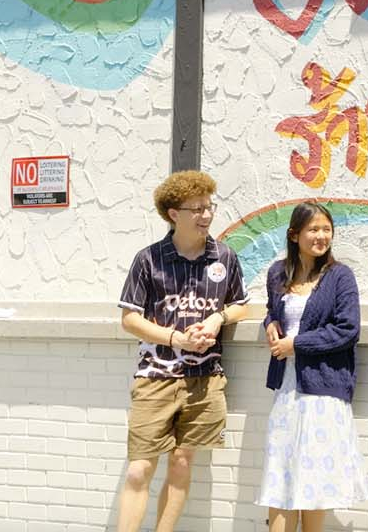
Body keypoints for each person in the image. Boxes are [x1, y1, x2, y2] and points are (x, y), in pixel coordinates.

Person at [115, 170, 249, 532]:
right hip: (155, 377)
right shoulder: (149, 260)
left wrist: (218, 319)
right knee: (140, 467)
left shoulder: (224, 257)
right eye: (197, 209)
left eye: (209, 207)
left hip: (204, 379)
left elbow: (241, 305)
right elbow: (130, 319)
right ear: (174, 213)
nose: (206, 215)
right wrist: (176, 339)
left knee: (182, 462)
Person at [257, 201, 368, 532]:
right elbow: (273, 310)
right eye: (313, 229)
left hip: (323, 389)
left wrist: (296, 344)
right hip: (286, 387)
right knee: (280, 472)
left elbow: (348, 329)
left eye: (326, 229)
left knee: (314, 480)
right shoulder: (278, 273)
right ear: (295, 235)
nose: (321, 236)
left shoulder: (340, 276)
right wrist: (270, 324)